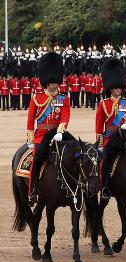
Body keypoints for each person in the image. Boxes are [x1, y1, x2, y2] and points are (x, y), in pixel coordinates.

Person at [27, 52, 70, 205]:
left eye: (56, 82)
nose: (55, 84)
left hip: (58, 133)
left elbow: (65, 117)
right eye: (52, 82)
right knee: (37, 159)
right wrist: (31, 139)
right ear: (46, 82)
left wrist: (60, 131)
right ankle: (32, 191)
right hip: (41, 135)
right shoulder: (36, 98)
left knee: (76, 151)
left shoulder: (63, 98)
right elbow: (31, 119)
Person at [95, 58, 126, 200]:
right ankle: (105, 187)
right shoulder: (103, 104)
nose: (118, 89)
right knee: (106, 160)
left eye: (120, 87)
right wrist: (100, 144)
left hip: (125, 135)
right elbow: (99, 126)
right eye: (116, 87)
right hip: (110, 137)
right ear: (110, 88)